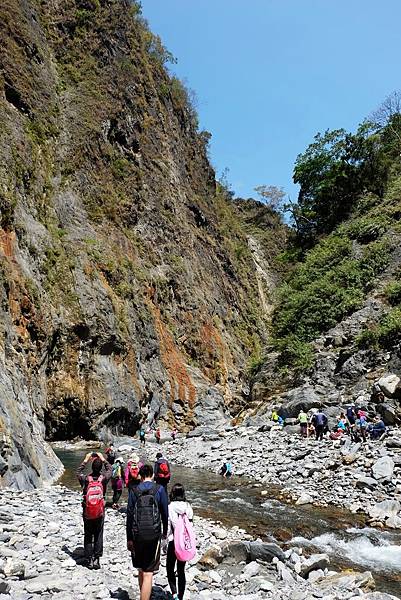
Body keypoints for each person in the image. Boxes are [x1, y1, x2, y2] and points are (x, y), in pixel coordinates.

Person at [126, 464, 168, 600]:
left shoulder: (134, 490)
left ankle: (144, 594)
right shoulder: (159, 489)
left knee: (140, 568)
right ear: (152, 475)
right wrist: (165, 531)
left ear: (141, 476)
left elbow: (130, 515)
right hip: (154, 533)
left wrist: (129, 538)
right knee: (149, 572)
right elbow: (165, 513)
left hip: (137, 533)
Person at [77, 452, 111, 569]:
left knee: (88, 534)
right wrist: (103, 459)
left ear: (91, 467)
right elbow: (110, 469)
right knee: (98, 534)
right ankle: (97, 559)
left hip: (87, 511)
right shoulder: (104, 479)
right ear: (101, 467)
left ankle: (89, 559)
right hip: (100, 511)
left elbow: (77, 472)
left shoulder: (86, 479)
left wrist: (85, 460)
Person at [167, 484, 194, 600]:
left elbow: (168, 526)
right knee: (181, 570)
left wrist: (165, 540)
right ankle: (181, 597)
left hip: (173, 541)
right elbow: (191, 524)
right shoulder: (188, 506)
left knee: (169, 567)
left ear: (172, 493)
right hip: (184, 542)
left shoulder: (170, 507)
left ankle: (174, 594)